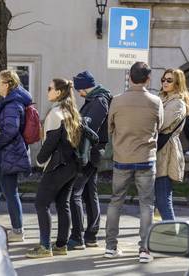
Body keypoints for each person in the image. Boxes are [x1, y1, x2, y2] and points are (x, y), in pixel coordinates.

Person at [105, 61, 163, 263]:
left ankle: (110, 247)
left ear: (129, 77)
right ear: (148, 79)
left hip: (122, 157)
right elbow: (160, 126)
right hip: (146, 158)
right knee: (146, 204)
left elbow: (110, 127)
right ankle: (145, 250)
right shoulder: (155, 101)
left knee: (115, 201)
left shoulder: (117, 101)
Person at [26, 78, 81, 259]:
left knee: (41, 203)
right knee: (62, 203)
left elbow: (50, 142)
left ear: (58, 92)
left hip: (57, 165)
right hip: (72, 165)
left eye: (50, 88)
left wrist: (39, 160)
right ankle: (60, 245)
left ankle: (44, 246)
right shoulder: (72, 111)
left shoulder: (55, 113)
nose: (47, 91)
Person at [0, 70, 32, 242]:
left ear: (8, 84)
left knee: (10, 192)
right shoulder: (8, 102)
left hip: (7, 153)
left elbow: (11, 130)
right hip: (2, 153)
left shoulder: (13, 104)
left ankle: (18, 231)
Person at [67, 71, 112, 250]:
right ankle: (91, 235)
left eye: (80, 89)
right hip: (92, 152)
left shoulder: (99, 101)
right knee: (89, 193)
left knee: (74, 193)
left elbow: (89, 129)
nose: (79, 93)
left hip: (89, 153)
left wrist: (82, 154)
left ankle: (77, 237)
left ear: (85, 87)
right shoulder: (96, 99)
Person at [155, 68, 189, 221]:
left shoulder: (177, 104)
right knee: (157, 200)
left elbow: (160, 125)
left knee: (163, 197)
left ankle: (172, 235)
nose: (165, 82)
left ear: (178, 83)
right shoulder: (161, 98)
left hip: (166, 151)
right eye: (163, 79)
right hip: (157, 150)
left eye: (169, 80)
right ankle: (161, 235)